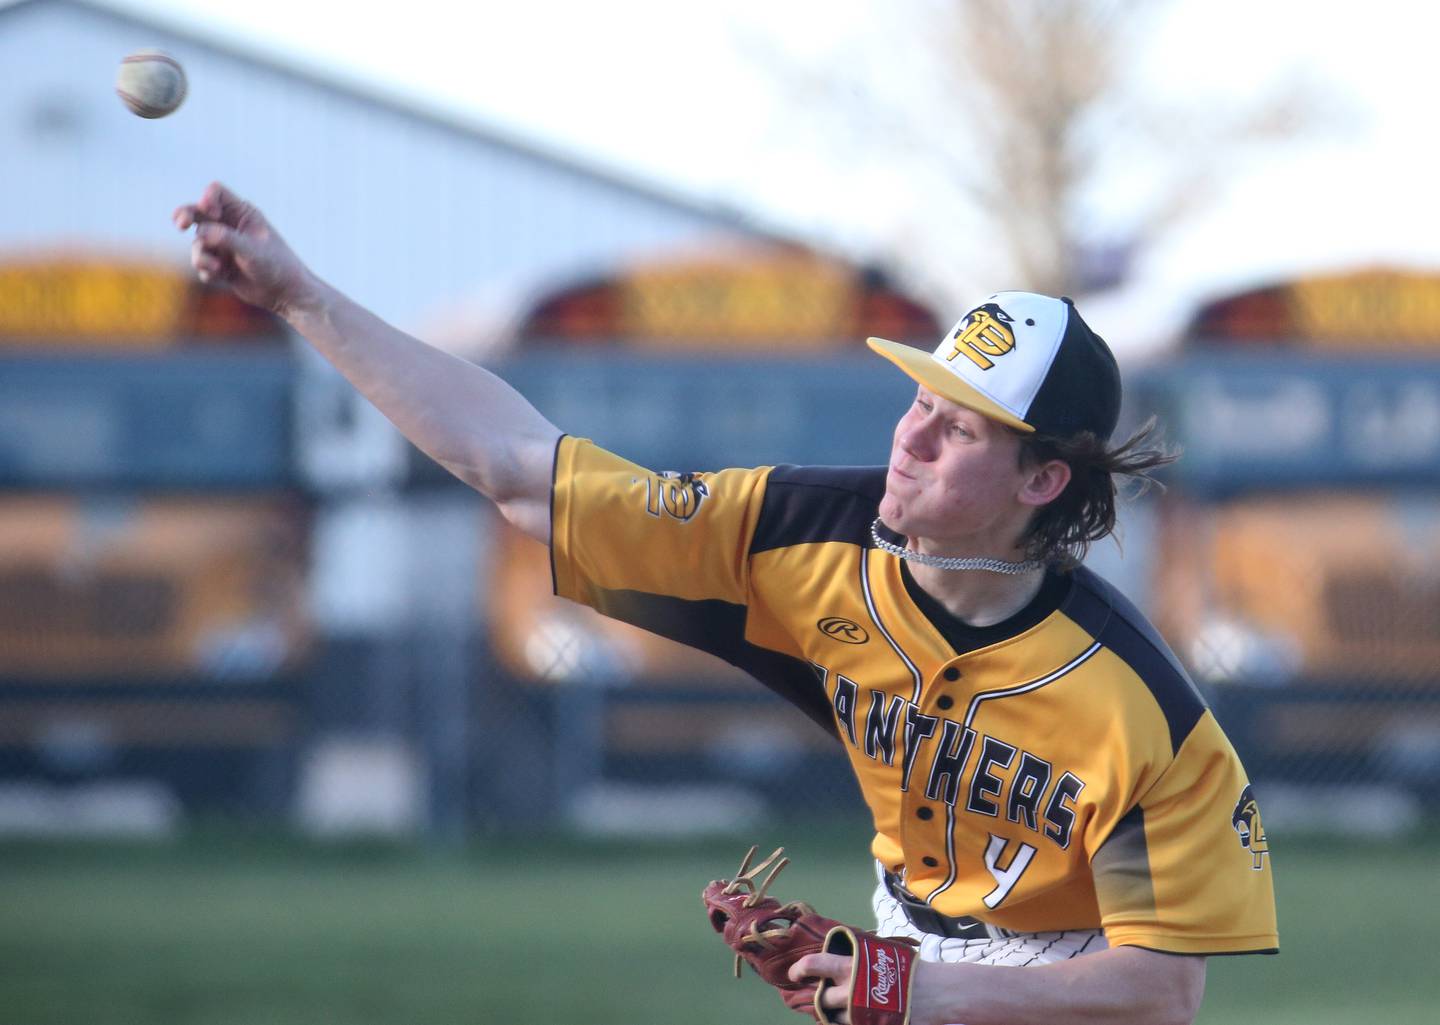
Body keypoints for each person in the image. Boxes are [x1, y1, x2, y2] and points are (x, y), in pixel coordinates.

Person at [175, 182, 1277, 1025]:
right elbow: (518, 469)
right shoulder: (802, 536)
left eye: (962, 429)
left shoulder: (1141, 712)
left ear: (1043, 480)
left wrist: (916, 990)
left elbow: (1159, 986)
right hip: (911, 953)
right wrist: (299, 296)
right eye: (920, 399)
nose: (910, 435)